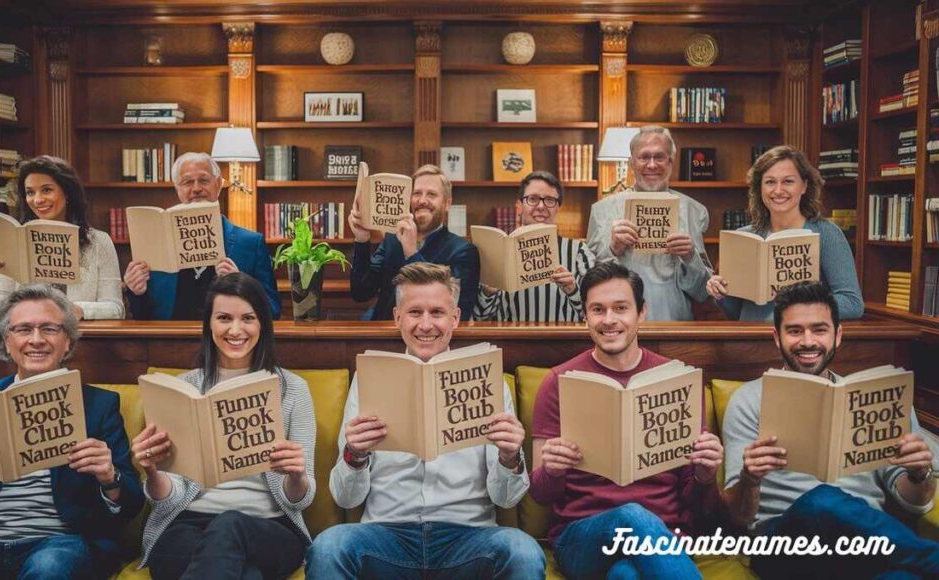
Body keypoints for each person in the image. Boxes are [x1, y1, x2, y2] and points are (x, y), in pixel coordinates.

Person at [306, 262, 545, 579]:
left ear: (455, 318)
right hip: (386, 537)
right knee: (328, 547)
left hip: (468, 538)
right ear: (397, 318)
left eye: (437, 312)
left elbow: (506, 498)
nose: (426, 324)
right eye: (415, 312)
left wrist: (510, 457)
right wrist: (354, 455)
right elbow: (346, 498)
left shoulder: (490, 383)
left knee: (523, 551)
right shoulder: (368, 381)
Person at [0, 284, 143, 578]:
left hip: (60, 542)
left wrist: (110, 478)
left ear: (68, 341)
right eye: (23, 329)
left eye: (49, 329)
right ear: (6, 341)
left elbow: (132, 503)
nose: (36, 340)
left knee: (50, 569)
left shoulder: (100, 405)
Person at [721, 281, 939, 578]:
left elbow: (915, 505)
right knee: (823, 499)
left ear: (837, 336)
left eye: (819, 330)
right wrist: (750, 478)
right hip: (785, 545)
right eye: (795, 330)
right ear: (777, 337)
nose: (807, 341)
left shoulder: (878, 398)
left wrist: (920, 474)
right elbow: (738, 516)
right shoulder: (747, 401)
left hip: (862, 544)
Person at [530, 261, 724, 579]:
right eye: (598, 309)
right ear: (585, 315)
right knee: (632, 516)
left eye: (621, 308)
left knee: (625, 575)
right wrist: (551, 469)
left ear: (641, 312)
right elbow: (540, 494)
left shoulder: (677, 380)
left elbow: (696, 498)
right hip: (582, 539)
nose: (609, 320)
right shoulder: (558, 382)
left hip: (664, 537)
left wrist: (705, 474)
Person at [131, 272, 315, 579]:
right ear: (209, 325)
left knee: (230, 523)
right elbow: (170, 496)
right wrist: (150, 471)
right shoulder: (180, 389)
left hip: (269, 527)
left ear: (262, 325)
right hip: (186, 525)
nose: (235, 329)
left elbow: (299, 500)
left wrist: (296, 475)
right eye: (224, 318)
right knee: (245, 572)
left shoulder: (293, 389)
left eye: (248, 318)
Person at [707, 145, 864, 321]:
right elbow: (735, 312)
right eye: (770, 182)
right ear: (760, 188)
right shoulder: (743, 237)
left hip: (798, 342)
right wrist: (720, 292)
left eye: (788, 181)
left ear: (804, 186)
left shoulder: (827, 233)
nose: (778, 190)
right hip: (750, 341)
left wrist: (799, 304)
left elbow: (852, 304)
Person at [124, 152, 281, 320]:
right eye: (187, 182)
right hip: (170, 341)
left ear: (219, 184)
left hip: (227, 340)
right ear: (177, 189)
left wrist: (240, 287)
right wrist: (136, 292)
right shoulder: (155, 245)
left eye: (204, 180)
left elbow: (273, 310)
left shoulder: (251, 243)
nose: (197, 188)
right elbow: (143, 315)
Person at [586, 126, 713, 321]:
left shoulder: (694, 211)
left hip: (675, 323)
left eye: (659, 157)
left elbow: (703, 292)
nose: (652, 165)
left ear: (671, 162)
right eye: (644, 157)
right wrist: (613, 250)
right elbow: (589, 285)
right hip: (618, 325)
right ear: (631, 163)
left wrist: (690, 257)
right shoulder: (602, 211)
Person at [0, 155, 125, 321]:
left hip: (80, 339)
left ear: (67, 192)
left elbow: (116, 308)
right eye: (30, 192)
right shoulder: (11, 241)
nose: (38, 200)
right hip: (27, 339)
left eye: (46, 190)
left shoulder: (99, 242)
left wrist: (78, 310)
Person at [349, 163, 480, 321]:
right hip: (384, 335)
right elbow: (361, 293)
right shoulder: (392, 239)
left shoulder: (463, 251)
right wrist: (362, 240)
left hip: (431, 338)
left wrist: (412, 254)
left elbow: (458, 310)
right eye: (417, 193)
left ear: (447, 204)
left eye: (431, 194)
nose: (422, 200)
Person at [474, 170, 596, 322]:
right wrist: (489, 291)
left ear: (558, 207)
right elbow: (479, 317)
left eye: (550, 200)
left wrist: (572, 290)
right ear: (519, 206)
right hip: (510, 343)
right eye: (533, 199)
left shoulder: (579, 251)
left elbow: (594, 314)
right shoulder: (495, 251)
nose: (541, 206)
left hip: (564, 343)